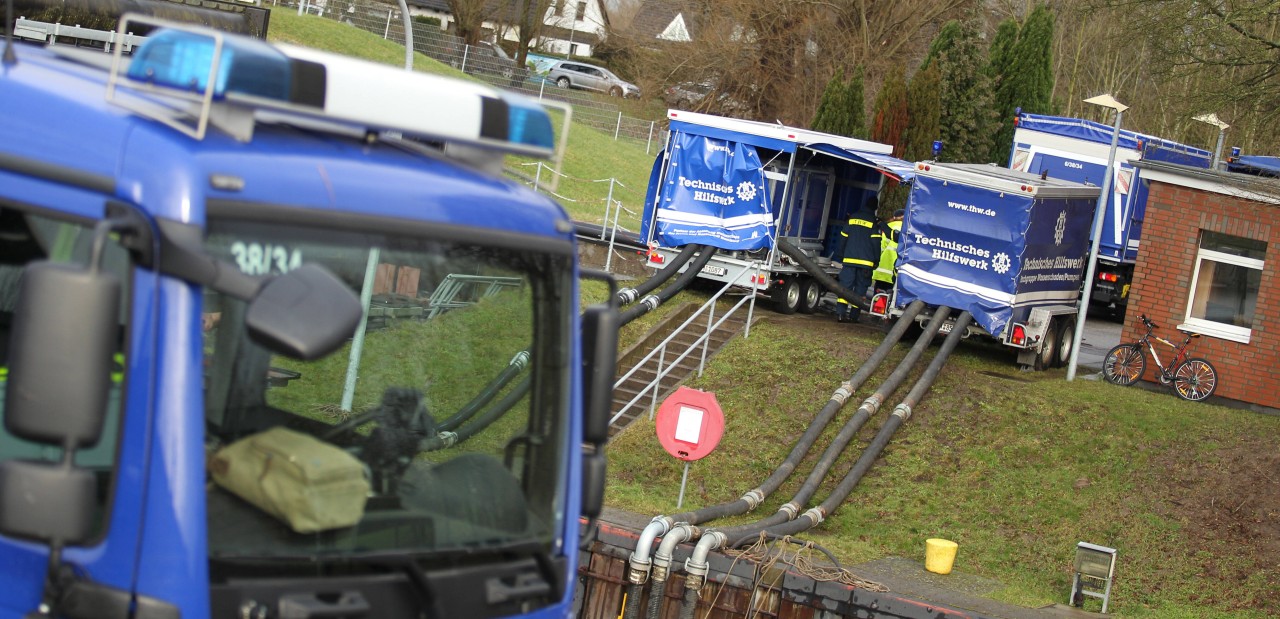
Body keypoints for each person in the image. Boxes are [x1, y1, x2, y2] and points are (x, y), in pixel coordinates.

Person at [836, 198, 881, 323]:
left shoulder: (852, 218)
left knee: (845, 287)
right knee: (860, 290)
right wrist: (876, 260)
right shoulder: (873, 222)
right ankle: (854, 317)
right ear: (875, 208)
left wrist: (840, 255)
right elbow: (876, 243)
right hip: (866, 264)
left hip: (849, 260)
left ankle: (840, 314)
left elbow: (843, 238)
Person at [872, 209, 904, 294]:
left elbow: (881, 246)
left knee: (878, 295)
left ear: (894, 217)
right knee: (892, 296)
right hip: (897, 270)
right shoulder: (908, 229)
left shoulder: (888, 227)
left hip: (883, 268)